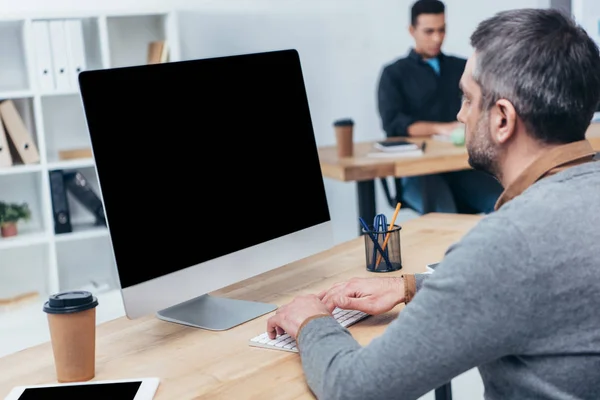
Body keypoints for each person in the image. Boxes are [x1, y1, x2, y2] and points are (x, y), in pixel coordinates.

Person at [266, 8, 600, 399]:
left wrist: (311, 320)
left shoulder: (510, 244)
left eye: (468, 99)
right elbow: (538, 285)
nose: (460, 114)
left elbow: (354, 389)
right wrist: (412, 286)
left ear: (503, 119)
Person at [377, 0, 503, 214]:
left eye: (442, 30)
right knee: (445, 214)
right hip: (419, 172)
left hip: (462, 167)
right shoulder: (394, 74)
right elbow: (394, 124)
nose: (437, 38)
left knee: (504, 202)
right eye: (429, 31)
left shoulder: (462, 67)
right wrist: (441, 128)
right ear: (412, 30)